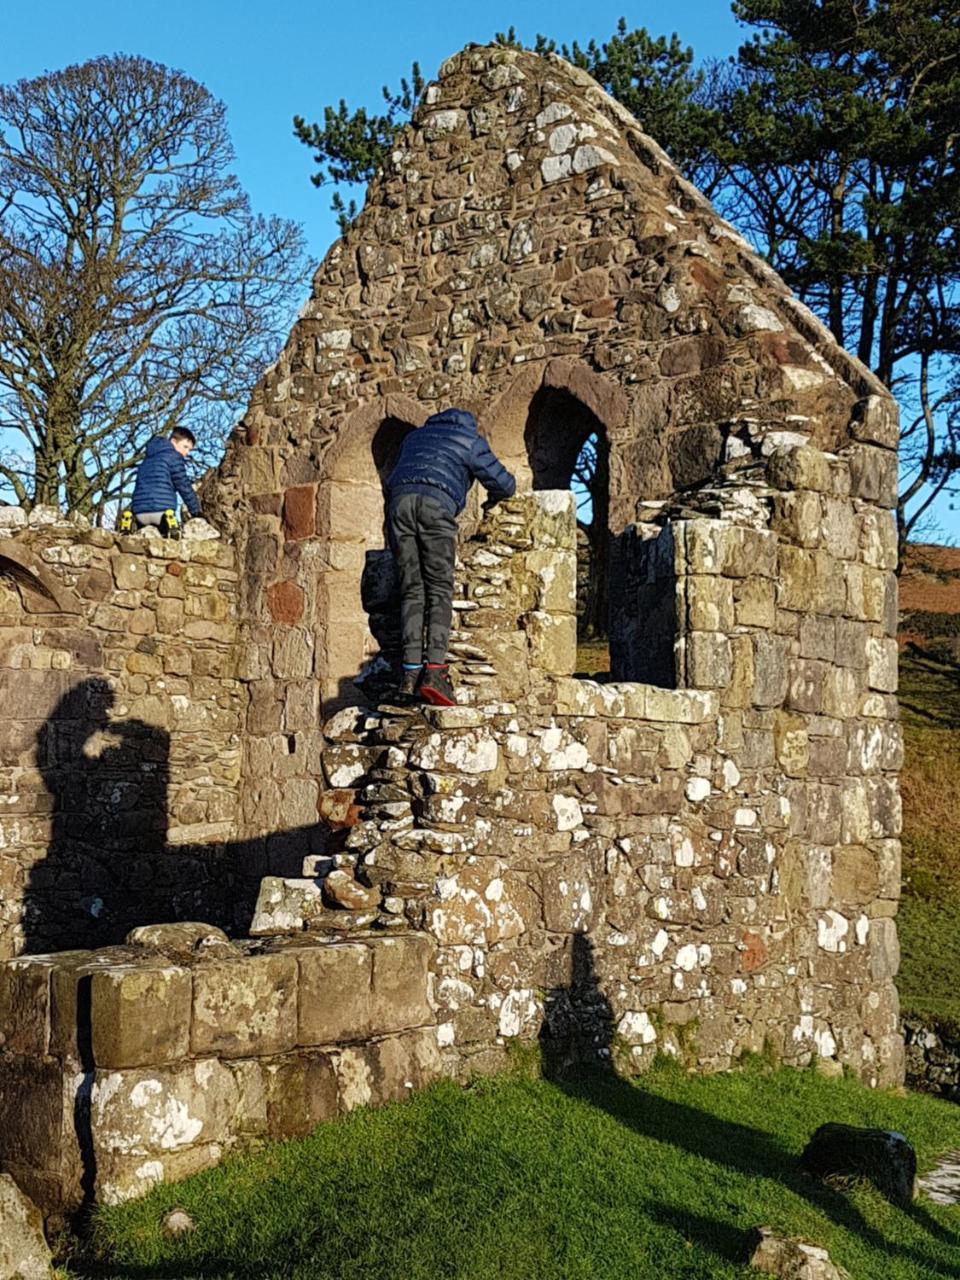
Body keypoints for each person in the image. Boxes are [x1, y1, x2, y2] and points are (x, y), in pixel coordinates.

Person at [385, 407, 516, 706]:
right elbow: (505, 484)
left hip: (400, 504)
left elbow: (394, 476)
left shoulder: (414, 438)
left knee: (411, 590)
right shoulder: (470, 440)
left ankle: (408, 675)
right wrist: (493, 500)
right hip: (436, 505)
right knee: (439, 589)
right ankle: (435, 672)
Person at [130, 427, 202, 531]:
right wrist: (196, 511)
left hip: (139, 513)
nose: (186, 452)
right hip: (162, 513)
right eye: (185, 447)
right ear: (173, 441)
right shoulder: (174, 457)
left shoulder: (146, 460)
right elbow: (183, 485)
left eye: (189, 450)